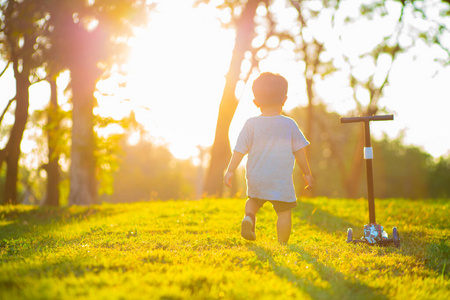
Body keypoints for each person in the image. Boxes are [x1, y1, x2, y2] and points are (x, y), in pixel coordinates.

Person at [223, 72, 313, 244]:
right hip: (280, 179)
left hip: (257, 177)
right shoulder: (289, 124)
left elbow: (239, 150)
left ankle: (249, 217)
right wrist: (307, 173)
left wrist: (230, 171)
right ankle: (282, 245)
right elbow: (300, 152)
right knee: (284, 212)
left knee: (253, 201)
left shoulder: (251, 124)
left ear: (256, 102)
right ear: (284, 100)